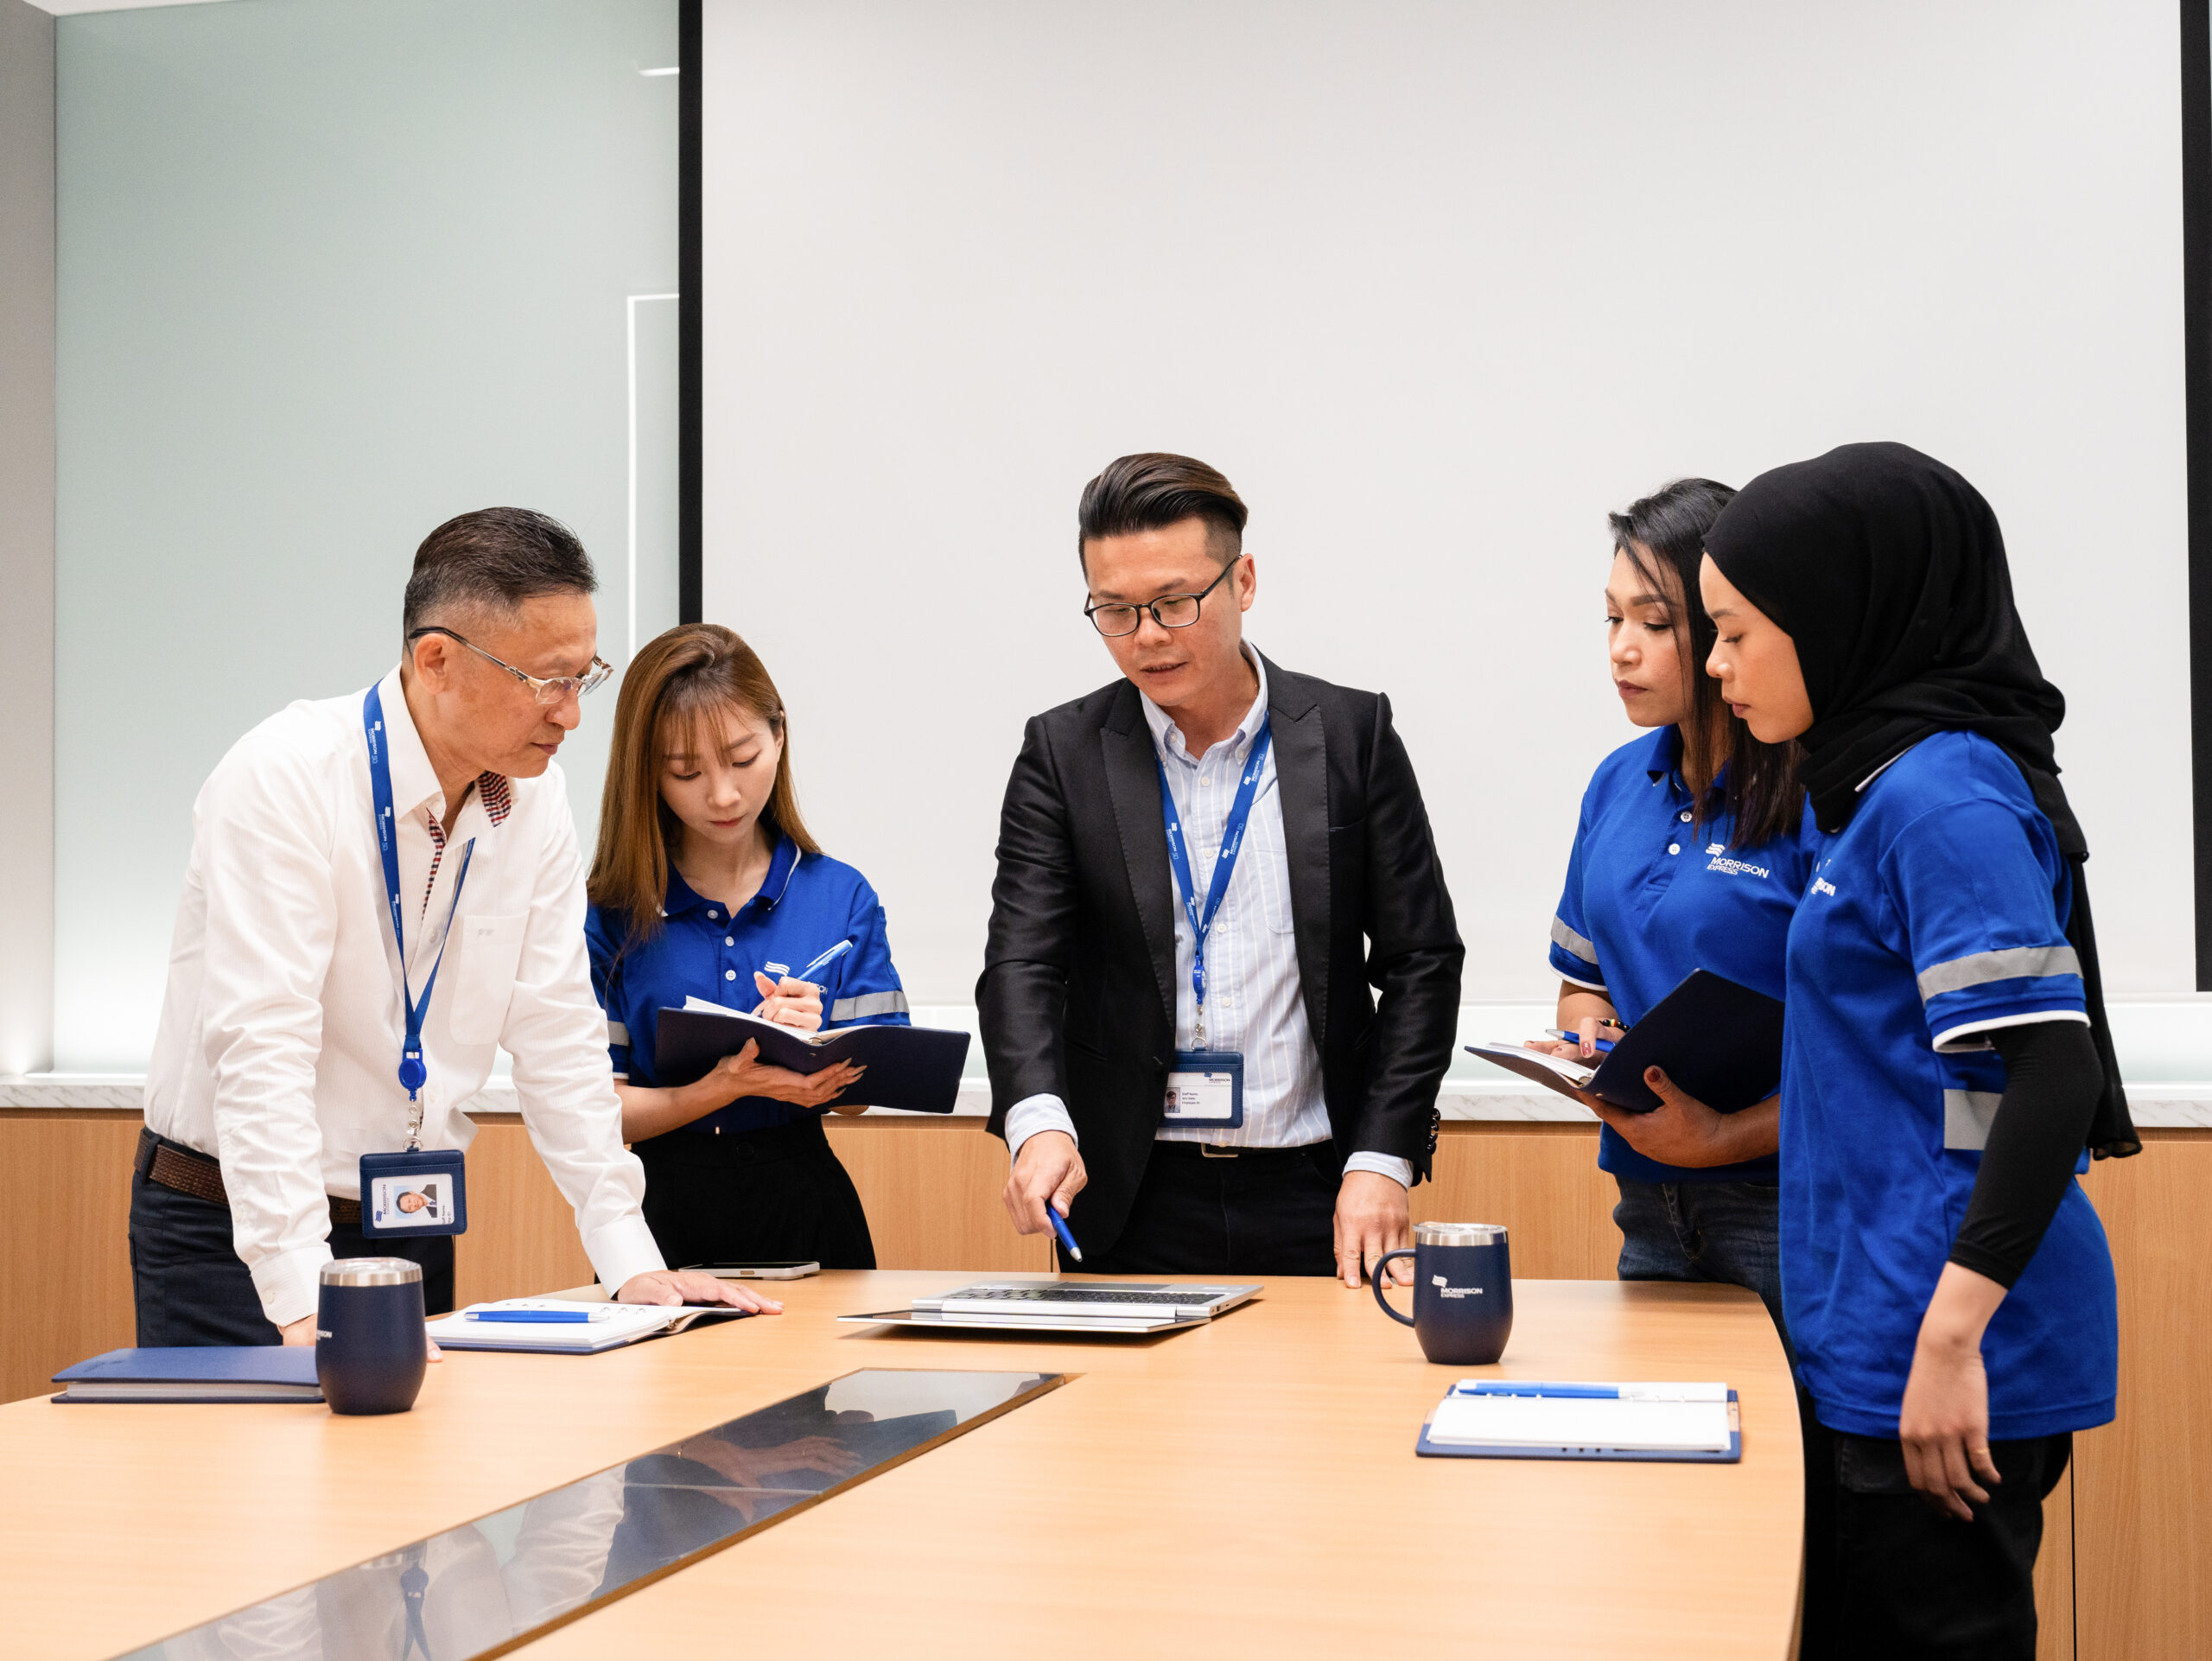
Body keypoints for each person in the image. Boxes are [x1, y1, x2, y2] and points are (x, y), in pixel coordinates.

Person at [133, 508, 772, 1346]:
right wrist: (294, 1295)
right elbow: (263, 1046)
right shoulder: (284, 778)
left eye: (583, 677)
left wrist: (627, 1256)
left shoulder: (533, 797)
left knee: (405, 1478)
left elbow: (556, 1027)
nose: (570, 714)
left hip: (404, 1223)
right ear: (436, 660)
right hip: (236, 1233)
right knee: (261, 1478)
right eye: (545, 679)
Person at [1700, 442, 2139, 1658]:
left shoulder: (1941, 800)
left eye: (1737, 632)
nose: (1715, 664)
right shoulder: (1877, 789)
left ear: (1841, 616)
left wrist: (1946, 1342)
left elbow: (2057, 1074)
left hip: (1949, 1346)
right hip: (1882, 1327)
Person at [980, 452, 1464, 1283]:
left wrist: (1381, 1155)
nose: (1148, 638)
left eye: (1173, 603)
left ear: (1242, 581)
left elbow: (1422, 961)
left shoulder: (1351, 736)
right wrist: (1038, 1120)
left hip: (1321, 1185)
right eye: (1115, 611)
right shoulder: (1062, 753)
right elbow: (1023, 962)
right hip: (1131, 1194)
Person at [1528, 479, 1817, 1345]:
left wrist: (1723, 1136)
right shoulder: (1617, 781)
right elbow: (1582, 986)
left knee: (1785, 1469)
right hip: (1647, 1200)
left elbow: (1861, 1057)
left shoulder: (1818, 797)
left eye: (1654, 624)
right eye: (1610, 620)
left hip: (1783, 1201)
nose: (1621, 649)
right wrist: (1590, 1040)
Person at [586, 624, 908, 1271]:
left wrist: (818, 1054)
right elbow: (595, 1113)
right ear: (647, 772)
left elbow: (873, 1085)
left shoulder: (840, 895)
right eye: (686, 772)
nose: (723, 795)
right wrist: (722, 1087)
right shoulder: (613, 910)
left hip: (806, 1211)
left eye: (742, 758)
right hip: (657, 1221)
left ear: (779, 736)